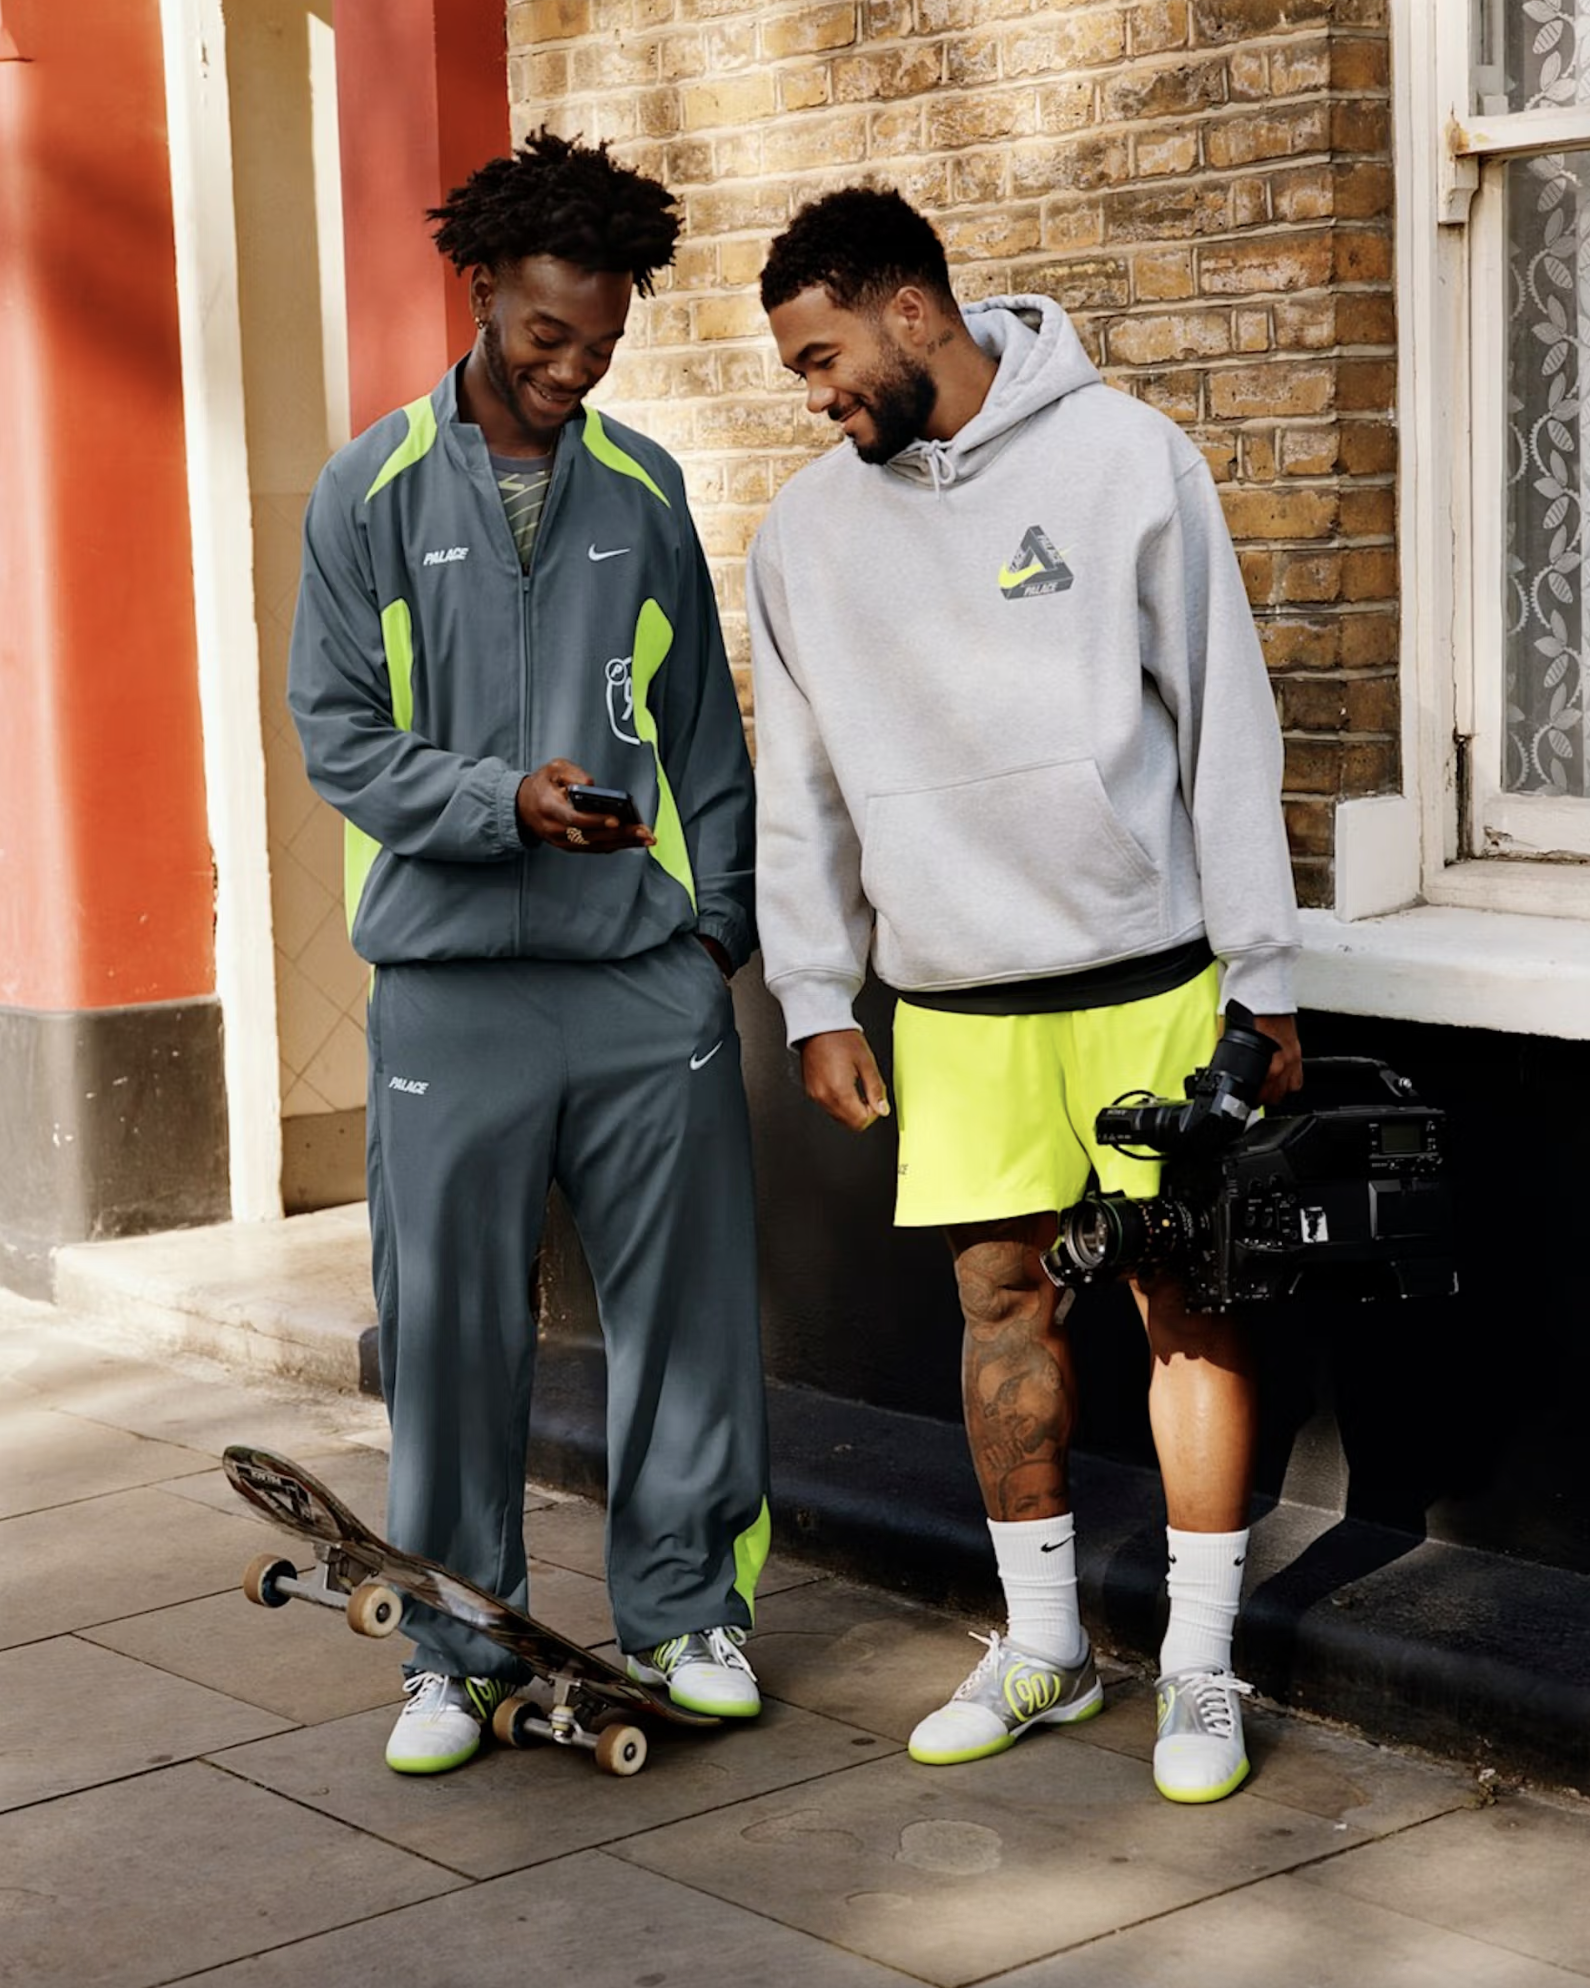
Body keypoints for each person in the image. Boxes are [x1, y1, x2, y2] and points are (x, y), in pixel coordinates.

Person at [746, 187, 1303, 1804]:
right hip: (953, 1000)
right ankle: (1046, 1647)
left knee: (1184, 1311)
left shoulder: (1126, 459)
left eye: (823, 358)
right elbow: (801, 791)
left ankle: (1199, 1666)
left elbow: (1225, 724)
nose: (815, 396)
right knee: (1001, 1309)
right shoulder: (802, 534)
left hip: (1147, 975)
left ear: (913, 311)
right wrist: (813, 994)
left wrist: (1263, 978)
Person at [288, 133, 770, 1775]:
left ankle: (685, 1611)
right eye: (546, 336)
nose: (572, 371)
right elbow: (339, 737)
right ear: (481, 289)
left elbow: (702, 732)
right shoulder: (365, 492)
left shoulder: (644, 491)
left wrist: (714, 931)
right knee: (447, 1335)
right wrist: (498, 802)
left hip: (639, 985)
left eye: (602, 344)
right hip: (448, 991)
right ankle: (452, 1646)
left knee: (686, 1322)